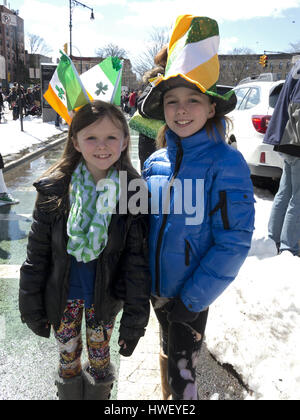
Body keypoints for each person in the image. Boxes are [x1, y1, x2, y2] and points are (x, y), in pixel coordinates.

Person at [140, 15, 255, 400]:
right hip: (155, 289)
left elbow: (233, 241)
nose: (182, 109)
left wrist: (191, 300)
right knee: (164, 352)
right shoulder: (155, 162)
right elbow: (142, 224)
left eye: (193, 100)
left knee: (183, 371)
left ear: (211, 109)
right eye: (172, 101)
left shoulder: (227, 164)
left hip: (191, 296)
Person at [19, 100, 151, 400]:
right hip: (62, 297)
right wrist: (29, 303)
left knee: (100, 362)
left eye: (111, 137)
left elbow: (136, 261)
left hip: (104, 300)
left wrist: (135, 318)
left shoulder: (133, 191)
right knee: (68, 362)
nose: (101, 146)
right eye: (91, 137)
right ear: (75, 142)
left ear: (125, 141)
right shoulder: (54, 190)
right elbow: (36, 255)